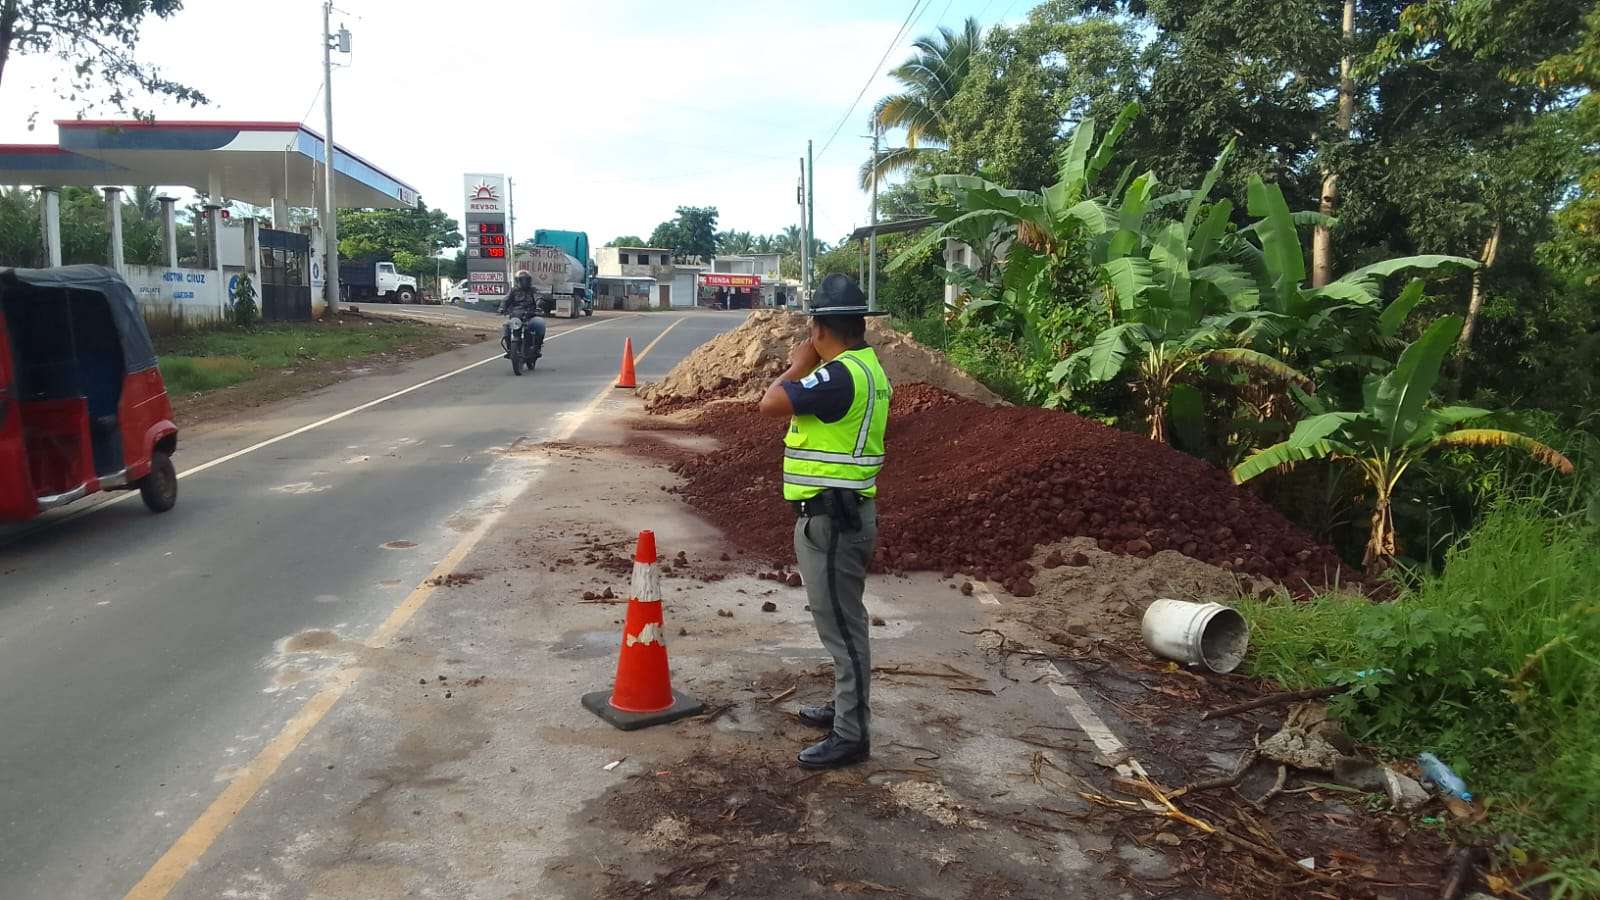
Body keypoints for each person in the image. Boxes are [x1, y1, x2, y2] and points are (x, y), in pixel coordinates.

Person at [758, 273, 891, 769]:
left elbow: (770, 402)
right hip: (843, 514)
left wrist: (796, 366)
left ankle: (851, 734)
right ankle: (845, 710)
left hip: (832, 520)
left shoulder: (837, 376)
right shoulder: (868, 368)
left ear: (820, 328)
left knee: (842, 626)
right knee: (839, 619)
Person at [499, 271, 549, 358]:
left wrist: (539, 306)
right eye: (522, 280)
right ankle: (510, 349)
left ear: (529, 280)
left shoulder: (533, 290)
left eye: (526, 280)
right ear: (517, 281)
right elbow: (505, 300)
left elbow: (538, 298)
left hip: (530, 316)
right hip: (516, 317)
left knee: (540, 324)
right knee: (506, 326)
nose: (524, 282)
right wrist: (502, 308)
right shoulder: (513, 290)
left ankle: (537, 347)